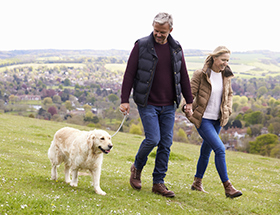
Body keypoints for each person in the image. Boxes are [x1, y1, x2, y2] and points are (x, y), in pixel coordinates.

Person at [119, 12, 193, 197]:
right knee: (153, 139)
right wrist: (124, 99)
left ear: (171, 30)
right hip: (148, 102)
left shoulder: (176, 48)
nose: (158, 35)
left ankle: (158, 183)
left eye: (162, 32)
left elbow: (183, 75)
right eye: (156, 31)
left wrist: (189, 101)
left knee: (166, 143)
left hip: (169, 104)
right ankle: (136, 167)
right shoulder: (141, 45)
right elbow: (129, 73)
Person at [182, 46, 242, 199]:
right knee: (220, 149)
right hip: (203, 119)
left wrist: (227, 110)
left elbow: (229, 95)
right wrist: (186, 106)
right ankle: (228, 187)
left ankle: (197, 182)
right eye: (223, 60)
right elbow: (190, 93)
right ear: (215, 58)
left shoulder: (226, 76)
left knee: (206, 151)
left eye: (227, 60)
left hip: (218, 120)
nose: (225, 63)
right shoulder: (200, 74)